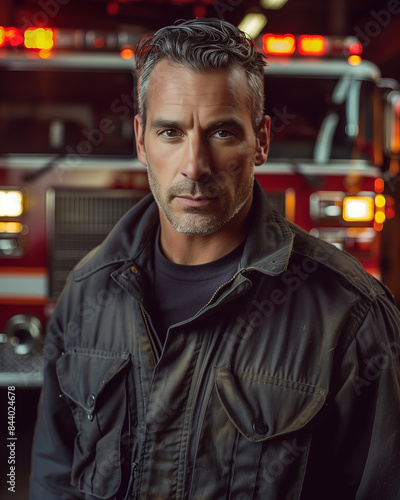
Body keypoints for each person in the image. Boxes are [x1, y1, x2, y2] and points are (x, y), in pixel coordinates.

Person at [30, 18, 400, 500]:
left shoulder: (351, 318)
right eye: (170, 132)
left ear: (261, 141)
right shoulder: (86, 292)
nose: (194, 165)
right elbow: (54, 475)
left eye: (222, 132)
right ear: (141, 140)